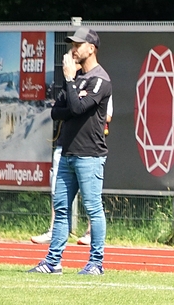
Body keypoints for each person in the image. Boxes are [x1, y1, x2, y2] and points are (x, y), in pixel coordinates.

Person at [28, 27, 112, 275]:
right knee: (61, 208)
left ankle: (96, 263)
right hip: (68, 153)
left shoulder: (100, 79)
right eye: (72, 45)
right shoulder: (76, 78)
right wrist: (73, 89)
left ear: (91, 48)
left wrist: (70, 82)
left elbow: (76, 108)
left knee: (93, 209)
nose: (73, 49)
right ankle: (53, 262)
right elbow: (57, 111)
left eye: (78, 45)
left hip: (90, 154)